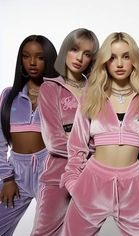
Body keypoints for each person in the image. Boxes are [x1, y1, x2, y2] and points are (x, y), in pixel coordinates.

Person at [60, 32, 139, 236]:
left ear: (134, 60)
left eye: (126, 56)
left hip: (133, 187)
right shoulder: (91, 96)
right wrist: (74, 183)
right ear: (104, 62)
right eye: (112, 57)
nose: (119, 63)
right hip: (92, 183)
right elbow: (77, 145)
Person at [30, 28, 99, 236]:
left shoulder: (96, 90)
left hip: (91, 178)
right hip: (56, 175)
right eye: (75, 49)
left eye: (87, 54)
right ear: (65, 50)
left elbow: (103, 134)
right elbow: (53, 141)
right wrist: (92, 151)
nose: (79, 58)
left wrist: (74, 136)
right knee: (44, 232)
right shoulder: (50, 88)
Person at [0, 35, 58, 236]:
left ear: (50, 60)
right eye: (26, 56)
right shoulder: (9, 96)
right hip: (15, 173)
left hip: (49, 171)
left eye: (40, 57)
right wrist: (7, 179)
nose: (32, 62)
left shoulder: (58, 96)